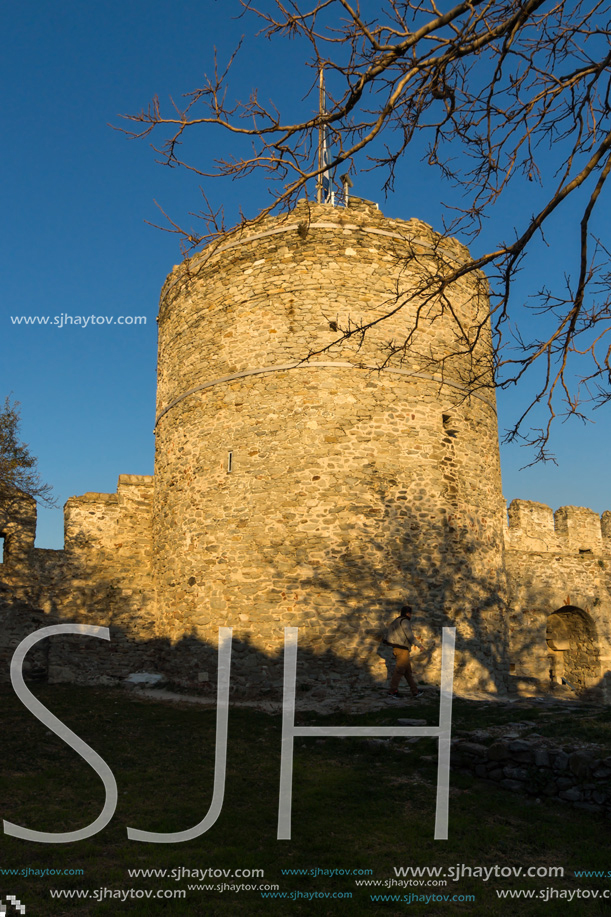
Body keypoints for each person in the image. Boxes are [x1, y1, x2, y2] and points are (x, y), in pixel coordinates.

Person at [384, 605, 424, 699]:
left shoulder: (396, 621)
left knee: (407, 672)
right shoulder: (404, 621)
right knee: (399, 671)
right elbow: (409, 635)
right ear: (407, 613)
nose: (411, 615)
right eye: (410, 613)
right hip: (402, 649)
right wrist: (419, 645)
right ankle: (392, 691)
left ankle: (415, 691)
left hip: (397, 648)